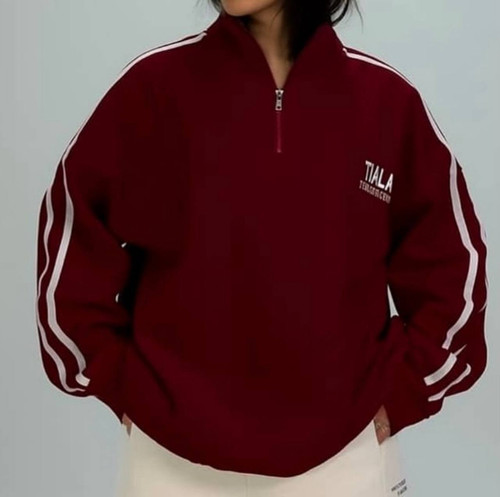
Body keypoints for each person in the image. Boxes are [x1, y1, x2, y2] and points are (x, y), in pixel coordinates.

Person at [35, 0, 488, 495]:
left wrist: (401, 395)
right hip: (168, 466)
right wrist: (119, 384)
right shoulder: (153, 90)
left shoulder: (386, 103)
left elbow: (453, 270)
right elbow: (72, 234)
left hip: (344, 466)